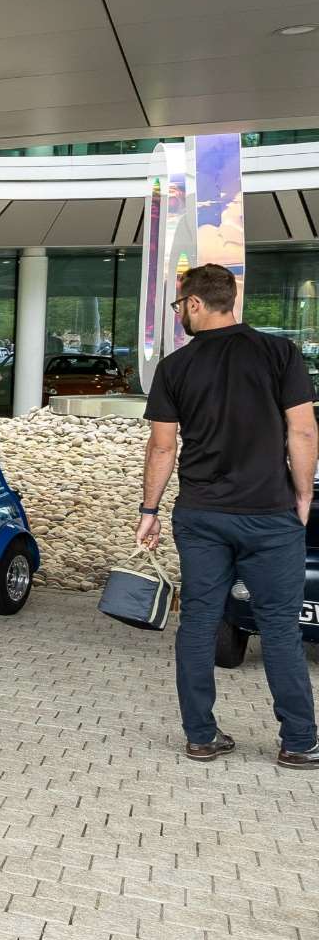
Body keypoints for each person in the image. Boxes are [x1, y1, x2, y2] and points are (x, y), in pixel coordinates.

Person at [137, 264, 317, 770]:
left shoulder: (175, 367)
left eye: (180, 306)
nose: (179, 314)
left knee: (198, 621)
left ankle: (201, 737)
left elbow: (162, 447)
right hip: (269, 514)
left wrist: (149, 510)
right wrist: (303, 494)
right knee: (279, 628)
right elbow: (303, 431)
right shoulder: (280, 353)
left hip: (201, 516)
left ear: (196, 304)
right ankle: (299, 742)